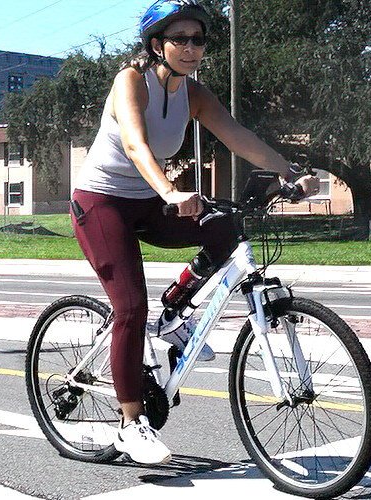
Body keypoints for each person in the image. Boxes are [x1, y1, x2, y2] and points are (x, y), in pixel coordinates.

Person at [70, 0, 319, 465]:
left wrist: (289, 172)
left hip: (148, 201)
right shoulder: (131, 81)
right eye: (179, 39)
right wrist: (168, 189)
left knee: (224, 229)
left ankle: (173, 320)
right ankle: (129, 424)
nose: (190, 48)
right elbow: (134, 144)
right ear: (156, 44)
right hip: (101, 202)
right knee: (128, 307)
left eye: (198, 39)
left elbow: (237, 135)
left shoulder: (194, 93)